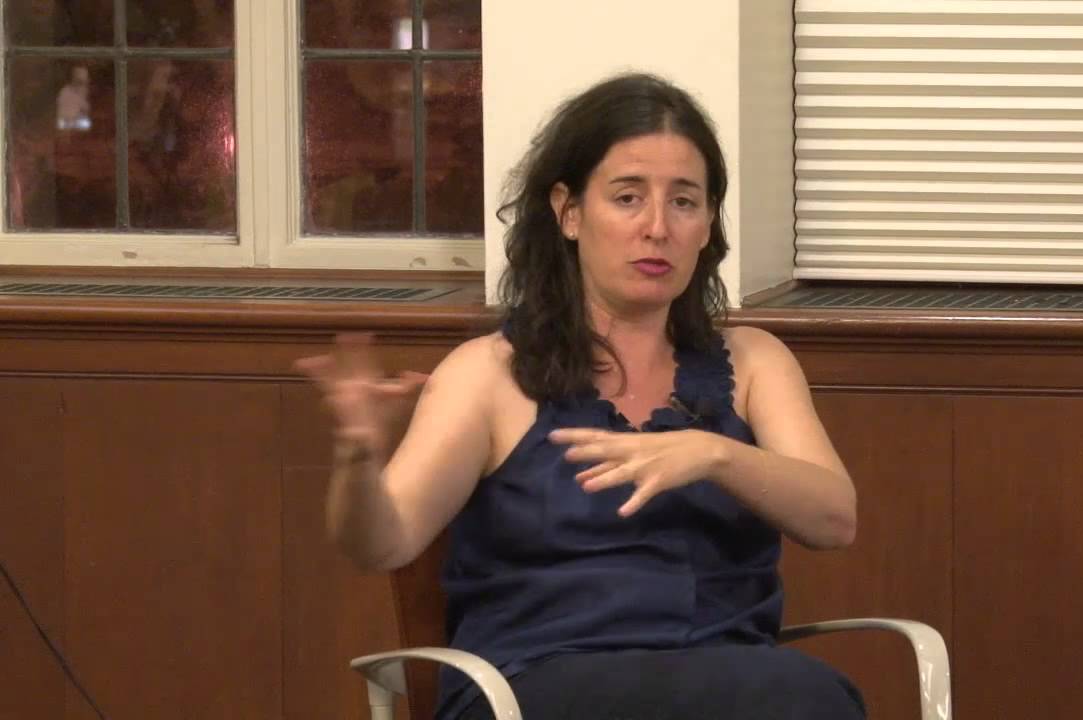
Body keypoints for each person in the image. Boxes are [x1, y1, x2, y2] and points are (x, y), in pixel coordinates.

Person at [297, 73, 865, 720]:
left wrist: (716, 456)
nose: (657, 227)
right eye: (628, 198)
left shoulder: (756, 361)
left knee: (807, 695)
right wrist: (358, 457)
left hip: (727, 677)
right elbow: (381, 544)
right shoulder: (487, 374)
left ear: (708, 223)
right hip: (536, 683)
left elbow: (834, 520)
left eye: (684, 201)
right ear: (569, 212)